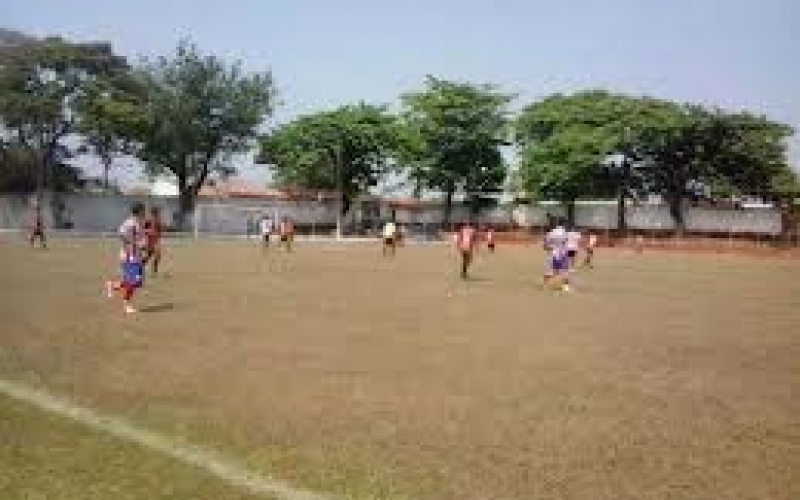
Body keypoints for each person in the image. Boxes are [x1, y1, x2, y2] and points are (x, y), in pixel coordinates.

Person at [105, 202, 147, 314]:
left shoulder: (139, 223)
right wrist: (131, 247)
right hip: (129, 256)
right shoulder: (129, 223)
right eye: (143, 210)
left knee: (137, 282)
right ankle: (127, 305)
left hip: (137, 255)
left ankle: (112, 285)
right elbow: (122, 235)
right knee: (133, 281)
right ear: (139, 211)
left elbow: (139, 239)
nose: (145, 212)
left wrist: (142, 248)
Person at [543, 221, 571, 292]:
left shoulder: (551, 233)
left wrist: (550, 247)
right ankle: (565, 286)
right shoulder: (565, 233)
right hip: (562, 253)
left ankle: (545, 285)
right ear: (564, 224)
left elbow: (545, 245)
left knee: (550, 270)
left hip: (553, 253)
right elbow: (566, 242)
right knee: (565, 270)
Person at [143, 206, 165, 275]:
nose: (159, 213)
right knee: (151, 255)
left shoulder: (158, 220)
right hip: (150, 240)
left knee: (156, 255)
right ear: (154, 213)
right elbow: (143, 230)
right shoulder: (148, 221)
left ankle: (154, 270)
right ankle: (140, 266)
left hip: (157, 240)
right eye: (158, 212)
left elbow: (160, 230)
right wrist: (148, 232)